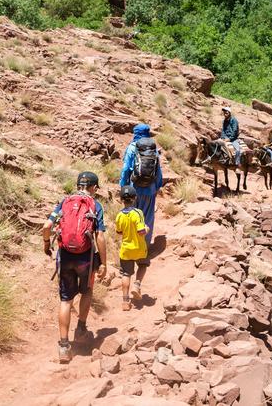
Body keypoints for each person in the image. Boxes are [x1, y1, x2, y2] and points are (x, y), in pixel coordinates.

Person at [42, 171, 107, 364]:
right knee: (86, 291)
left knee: (65, 300)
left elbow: (47, 226)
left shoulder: (64, 202)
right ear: (94, 187)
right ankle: (81, 329)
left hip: (65, 256)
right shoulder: (95, 205)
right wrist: (103, 263)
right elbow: (100, 237)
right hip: (85, 258)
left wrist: (47, 244)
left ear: (78, 185)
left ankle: (63, 346)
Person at [119, 123, 163, 246]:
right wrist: (157, 186)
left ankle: (131, 245)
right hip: (150, 189)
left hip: (134, 189)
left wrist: (123, 186)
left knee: (132, 216)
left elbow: (126, 169)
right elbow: (158, 170)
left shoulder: (132, 147)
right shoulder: (153, 148)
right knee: (147, 218)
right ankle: (144, 246)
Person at [115, 184, 149, 310]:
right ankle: (137, 285)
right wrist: (147, 228)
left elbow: (118, 232)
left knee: (126, 273)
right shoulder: (138, 213)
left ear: (121, 200)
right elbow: (141, 231)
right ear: (135, 198)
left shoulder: (119, 215)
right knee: (143, 265)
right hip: (139, 247)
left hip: (126, 249)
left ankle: (125, 301)